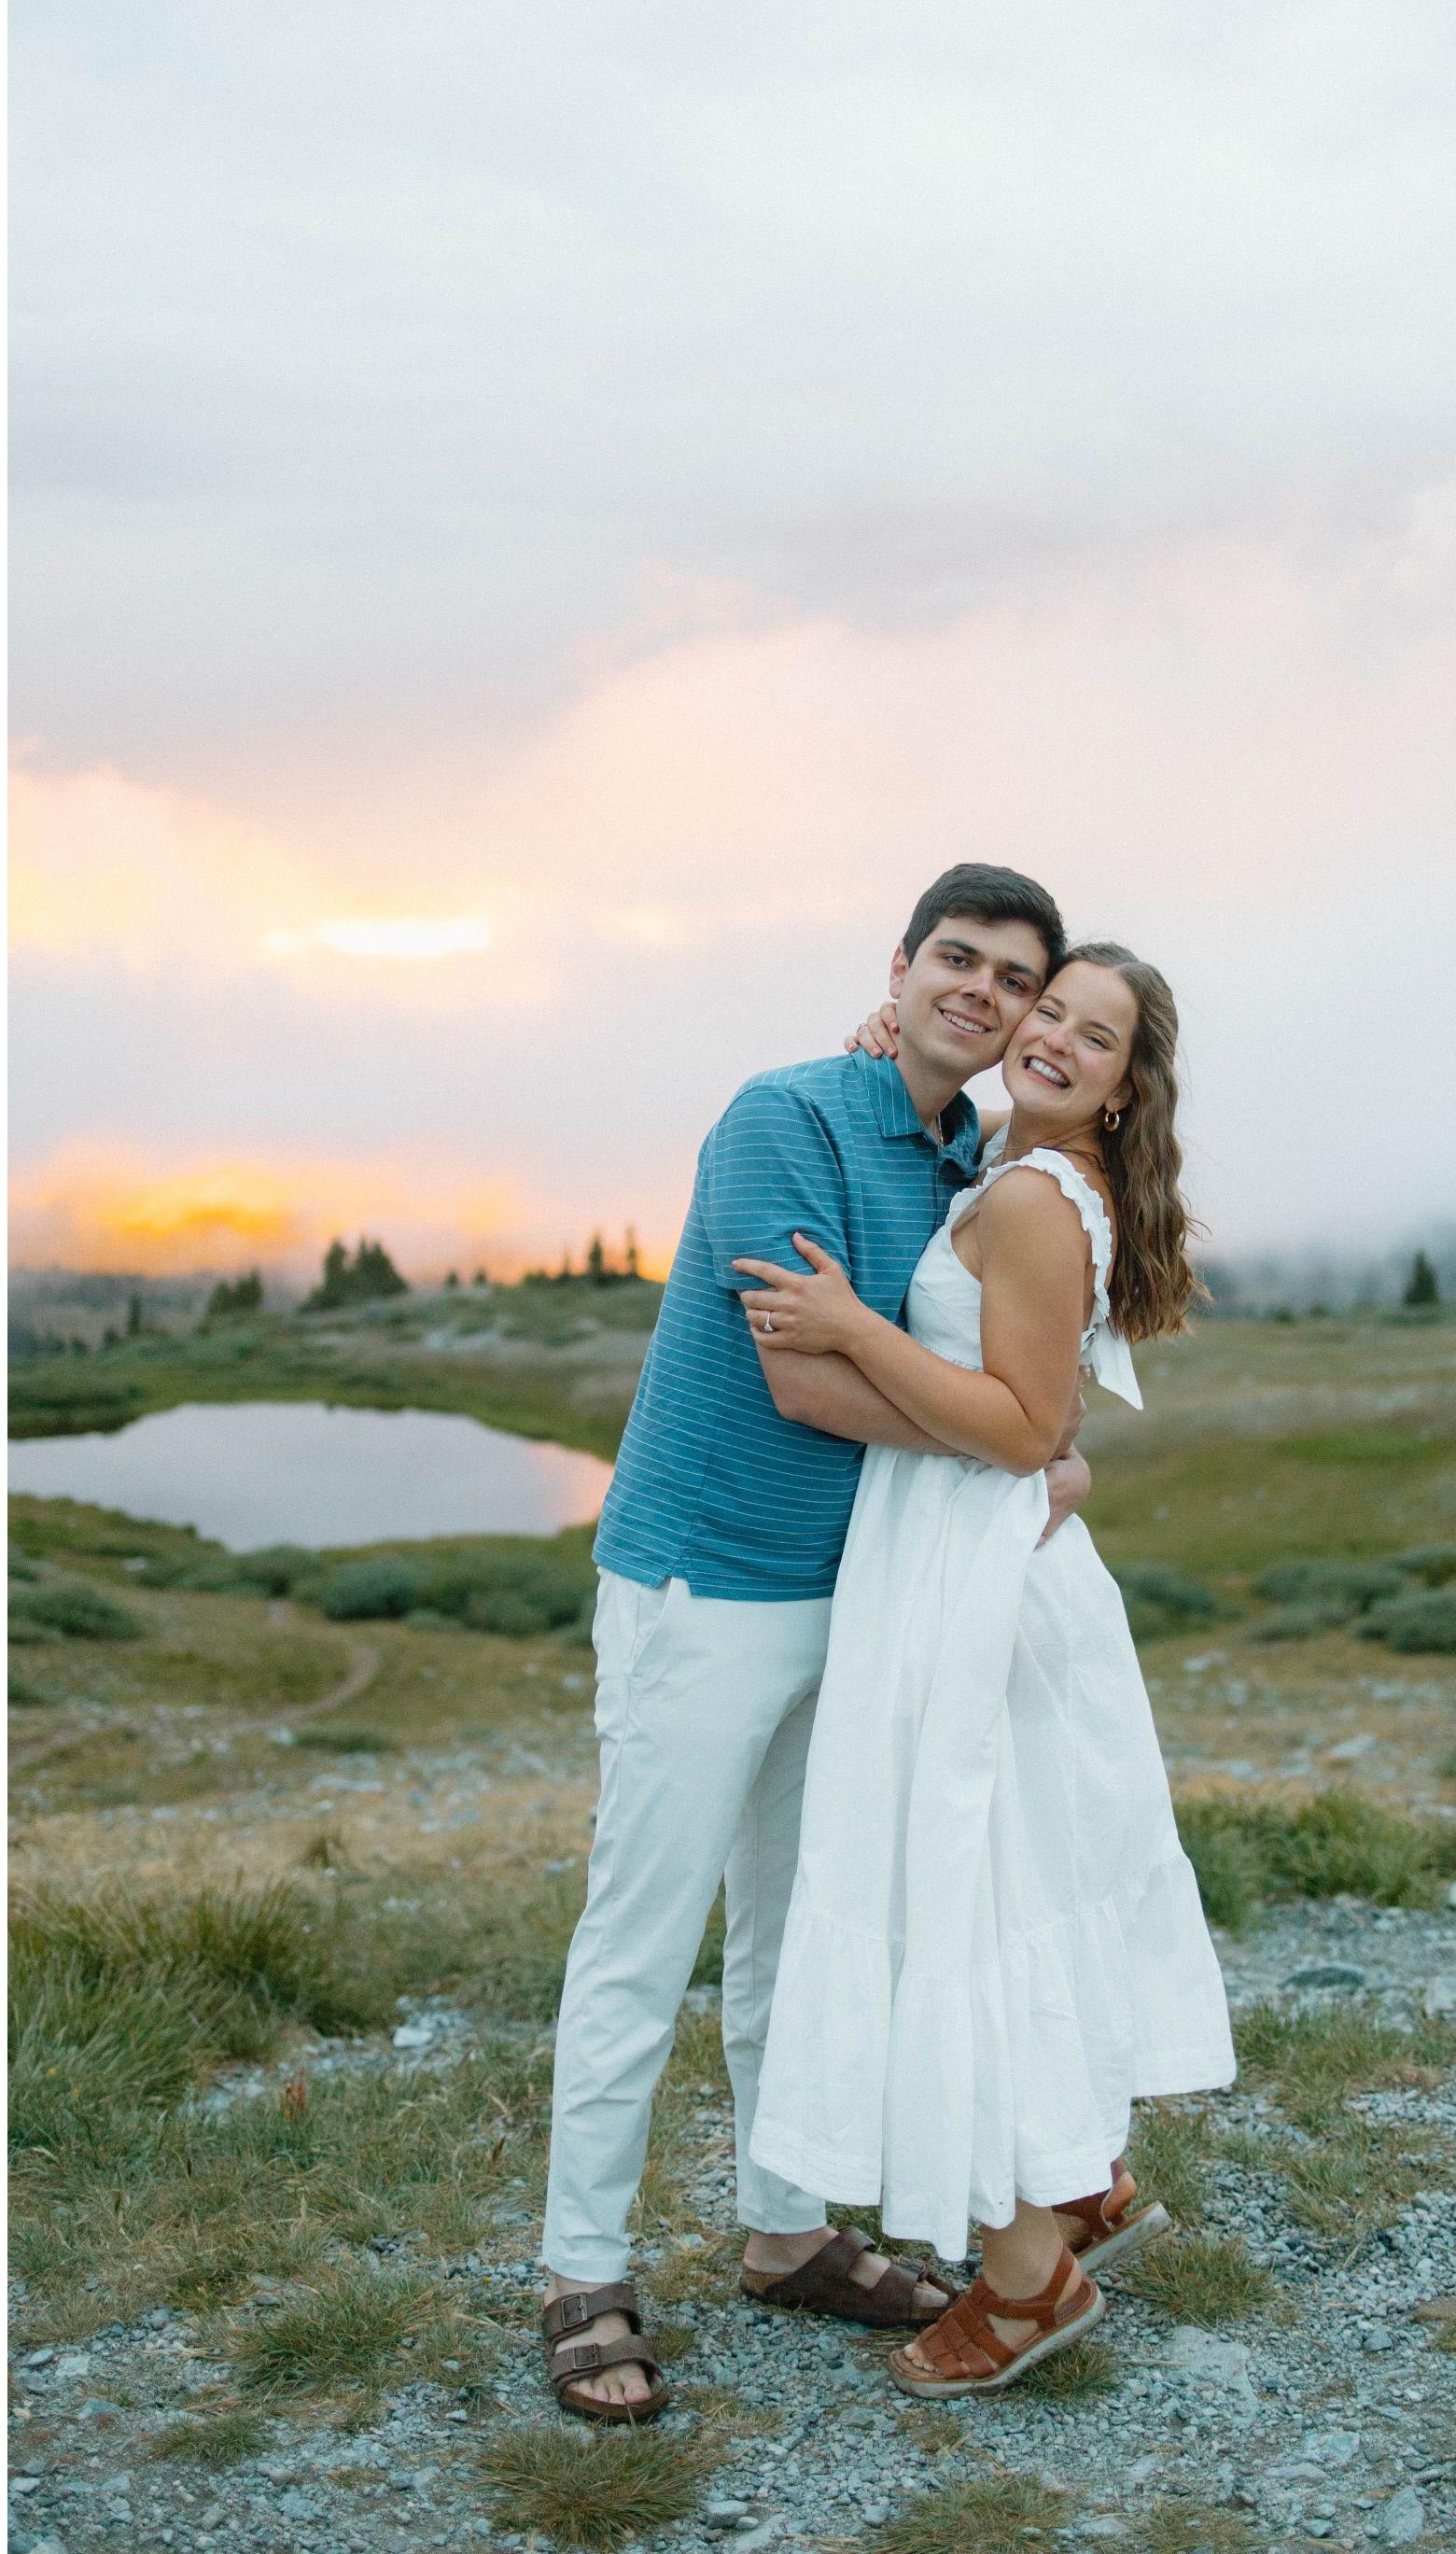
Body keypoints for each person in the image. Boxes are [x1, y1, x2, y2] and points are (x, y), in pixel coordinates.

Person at [536, 864, 1097, 2423]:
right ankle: (581, 2274)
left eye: (1013, 982)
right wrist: (1014, 1445)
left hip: (853, 1601)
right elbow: (802, 1377)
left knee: (798, 1931)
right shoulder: (784, 1115)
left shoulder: (964, 1154)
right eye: (958, 961)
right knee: (642, 1940)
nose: (980, 995)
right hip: (704, 1589)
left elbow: (976, 1361)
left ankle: (786, 2236)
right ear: (903, 964)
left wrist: (1012, 1424)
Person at [736, 944, 1237, 2398]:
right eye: (1051, 1013)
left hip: (967, 1577)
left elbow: (1025, 1428)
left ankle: (1028, 2285)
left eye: (1099, 1037)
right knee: (1006, 1879)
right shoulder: (1019, 1173)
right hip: (970, 1563)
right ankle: (1079, 2182)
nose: (1062, 1042)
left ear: (1129, 1087)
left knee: (952, 1894)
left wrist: (851, 1329)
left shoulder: (1028, 1197)